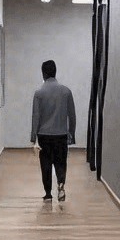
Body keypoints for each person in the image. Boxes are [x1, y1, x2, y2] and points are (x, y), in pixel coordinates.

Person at [30, 59, 76, 201]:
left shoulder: (39, 93)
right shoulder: (66, 91)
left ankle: (48, 194)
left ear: (43, 73)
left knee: (46, 164)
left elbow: (36, 116)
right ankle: (61, 184)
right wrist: (72, 133)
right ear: (55, 72)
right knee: (61, 162)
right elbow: (72, 115)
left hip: (44, 135)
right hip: (61, 134)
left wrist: (33, 137)